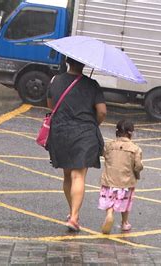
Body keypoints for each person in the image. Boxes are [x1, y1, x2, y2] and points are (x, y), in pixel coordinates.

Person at [46, 57, 107, 232]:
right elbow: (102, 111)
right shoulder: (92, 84)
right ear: (84, 64)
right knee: (78, 176)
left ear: (67, 61)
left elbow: (51, 105)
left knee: (67, 176)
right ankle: (74, 216)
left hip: (60, 133)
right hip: (84, 134)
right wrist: (93, 123)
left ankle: (72, 213)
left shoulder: (55, 81)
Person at [98, 119, 143, 234]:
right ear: (130, 133)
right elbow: (138, 165)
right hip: (126, 181)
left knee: (110, 199)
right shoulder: (135, 149)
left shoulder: (109, 145)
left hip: (109, 180)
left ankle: (109, 214)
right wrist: (138, 171)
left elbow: (106, 157)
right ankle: (124, 222)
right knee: (125, 202)